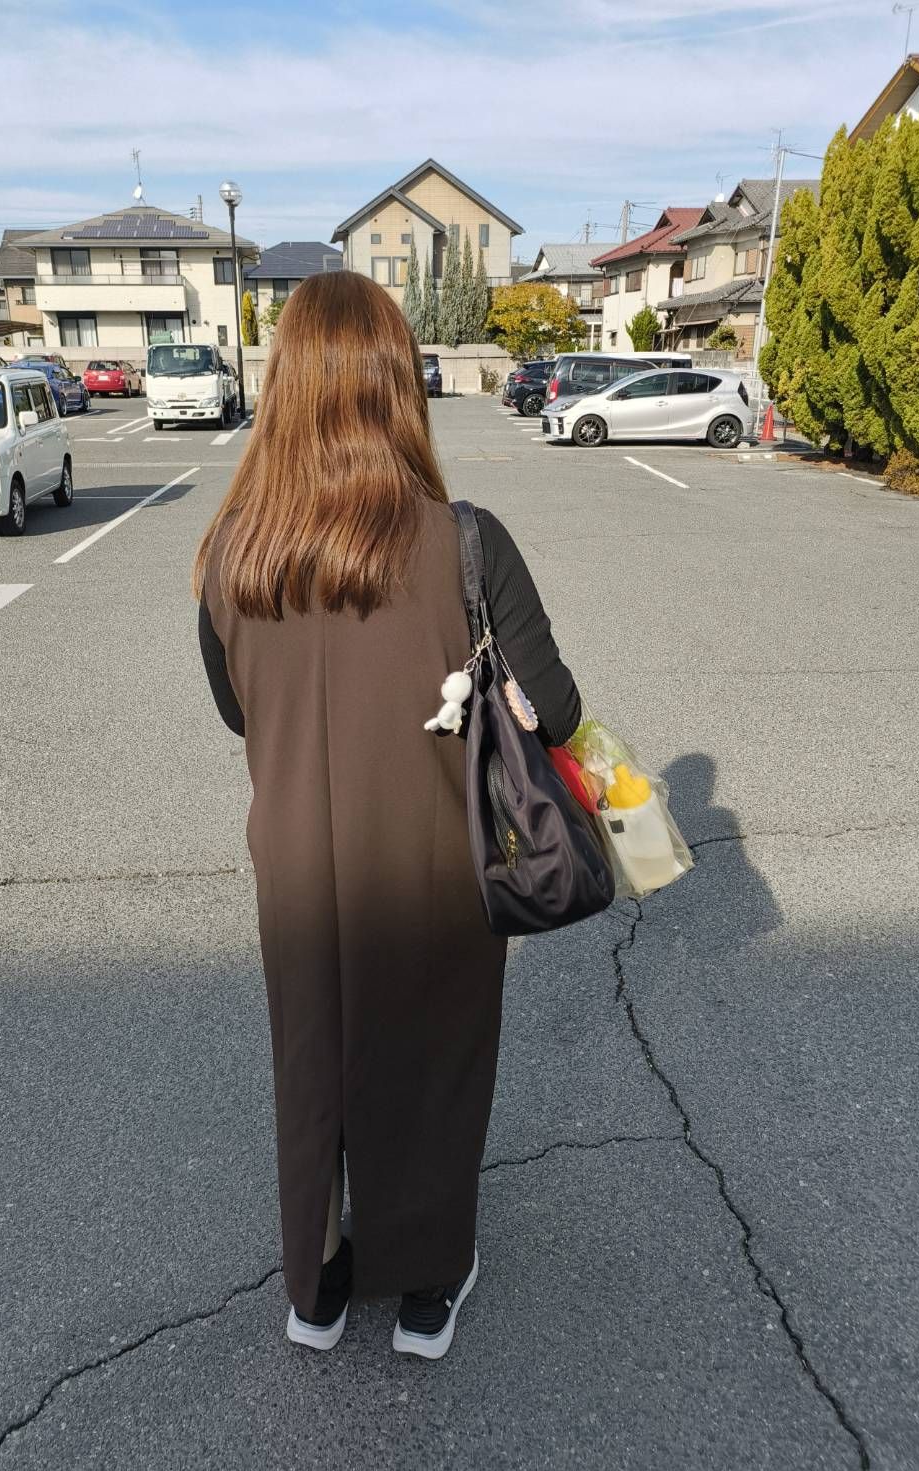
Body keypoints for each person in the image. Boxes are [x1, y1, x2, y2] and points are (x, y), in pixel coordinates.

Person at [194, 271, 582, 1360]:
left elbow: (235, 709)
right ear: (396, 385)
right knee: (430, 1058)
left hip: (297, 858)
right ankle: (424, 1288)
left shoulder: (233, 552)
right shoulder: (465, 540)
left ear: (284, 388)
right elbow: (554, 710)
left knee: (313, 1057)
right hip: (434, 855)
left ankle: (317, 1287)